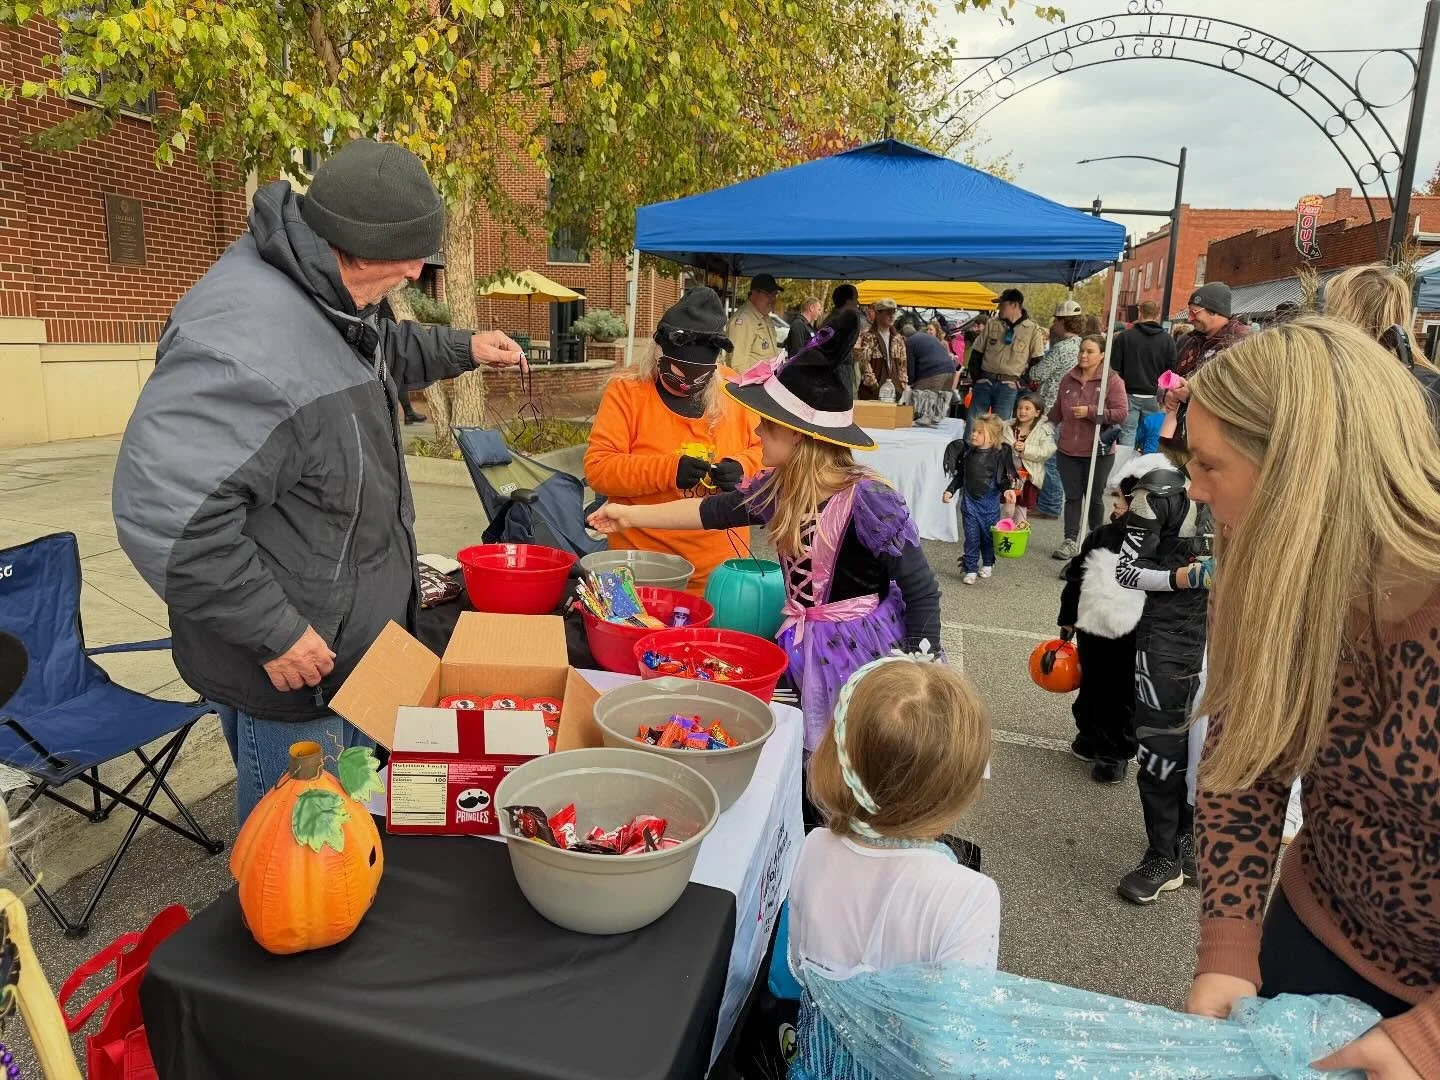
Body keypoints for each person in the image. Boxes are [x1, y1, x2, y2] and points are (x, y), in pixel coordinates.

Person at [111, 139, 527, 825]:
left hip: (348, 651)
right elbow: (166, 515)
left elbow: (373, 347)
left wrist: (463, 347)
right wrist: (273, 630)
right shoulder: (247, 342)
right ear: (359, 249)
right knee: (299, 857)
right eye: (406, 268)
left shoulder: (327, 283)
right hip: (291, 666)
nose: (417, 274)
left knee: (348, 823)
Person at [1180, 317, 1440, 1079]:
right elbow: (1243, 755)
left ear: (1297, 475)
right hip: (1319, 928)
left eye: (1208, 465)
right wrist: (1229, 944)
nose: (1192, 489)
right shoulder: (1261, 569)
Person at [587, 312, 941, 751]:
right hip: (805, 644)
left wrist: (920, 674)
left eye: (767, 425)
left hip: (860, 652)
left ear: (800, 437)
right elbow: (711, 510)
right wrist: (628, 516)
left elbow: (922, 590)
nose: (755, 431)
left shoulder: (868, 500)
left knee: (853, 750)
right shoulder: (782, 489)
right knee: (809, 748)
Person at [786, 655, 996, 1080]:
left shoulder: (814, 846)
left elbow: (798, 965)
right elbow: (953, 1050)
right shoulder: (968, 896)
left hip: (817, 1063)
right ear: (960, 788)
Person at [584, 288, 765, 596]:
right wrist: (667, 470)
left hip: (719, 576)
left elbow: (766, 452)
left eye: (700, 377)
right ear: (658, 355)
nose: (687, 383)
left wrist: (742, 469)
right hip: (640, 571)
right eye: (677, 372)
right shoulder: (627, 392)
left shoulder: (735, 389)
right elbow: (599, 470)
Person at [1112, 452, 1212, 904]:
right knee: (1161, 749)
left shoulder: (1274, 485)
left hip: (1234, 636)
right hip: (1169, 639)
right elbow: (1127, 570)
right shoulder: (1160, 492)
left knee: (1213, 749)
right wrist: (1188, 575)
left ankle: (1192, 838)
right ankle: (1162, 854)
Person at [1057, 456, 1158, 784]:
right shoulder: (1101, 536)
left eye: (1121, 500)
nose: (1115, 505)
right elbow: (1076, 576)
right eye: (1115, 498)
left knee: (1122, 694)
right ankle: (1088, 733)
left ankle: (1115, 752)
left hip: (1130, 634)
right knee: (1091, 684)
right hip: (1092, 626)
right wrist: (1069, 619)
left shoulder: (1156, 545)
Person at [1323, 262, 1440, 416]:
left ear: (1339, 314)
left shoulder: (1325, 379)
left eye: (1326, 307)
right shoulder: (1430, 384)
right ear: (1402, 314)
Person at [1048, 335, 1127, 560]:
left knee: (1093, 497)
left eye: (1090, 351)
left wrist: (1091, 412)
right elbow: (1057, 410)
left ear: (1101, 355)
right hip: (1068, 450)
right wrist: (1042, 426)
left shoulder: (1112, 381)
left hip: (1098, 451)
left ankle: (1095, 540)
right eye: (1082, 350)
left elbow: (1122, 413)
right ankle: (1070, 540)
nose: (1083, 355)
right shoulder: (1068, 378)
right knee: (1072, 497)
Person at [943, 415, 1017, 586]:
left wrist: (1007, 490)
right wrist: (950, 490)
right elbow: (961, 476)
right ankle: (970, 568)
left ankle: (988, 563)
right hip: (969, 506)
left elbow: (1003, 479)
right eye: (974, 431)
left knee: (987, 538)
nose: (973, 434)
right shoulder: (968, 453)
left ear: (991, 438)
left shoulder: (998, 455)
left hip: (990, 507)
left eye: (979, 432)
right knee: (971, 538)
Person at [1029, 301, 1084, 518]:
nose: (1054, 324)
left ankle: (1050, 505)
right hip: (1071, 407)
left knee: (1049, 457)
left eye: (1056, 320)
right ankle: (1050, 503)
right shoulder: (1082, 345)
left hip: (1053, 406)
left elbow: (1038, 374)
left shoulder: (1061, 348)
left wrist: (1031, 366)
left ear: (1063, 322)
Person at [968, 288, 1047, 420]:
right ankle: (969, 442)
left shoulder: (1032, 329)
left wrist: (1022, 381)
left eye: (1002, 304)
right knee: (974, 423)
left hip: (1009, 385)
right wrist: (977, 378)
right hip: (985, 381)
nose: (998, 307)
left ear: (1014, 305)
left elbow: (1038, 360)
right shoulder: (992, 324)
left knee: (1001, 426)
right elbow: (976, 352)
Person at [1112, 300, 1177, 448]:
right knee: (1152, 435)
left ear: (1140, 312)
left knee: (1127, 433)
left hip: (1129, 392)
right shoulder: (1167, 340)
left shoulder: (1125, 337)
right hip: (1155, 394)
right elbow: (1171, 369)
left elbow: (1115, 365)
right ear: (1157, 314)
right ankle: (1146, 468)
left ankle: (1126, 467)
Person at [1002, 392, 1056, 527]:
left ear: (1037, 413)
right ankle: (1004, 530)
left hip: (1028, 476)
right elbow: (999, 445)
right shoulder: (1007, 427)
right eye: (1020, 408)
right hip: (1008, 474)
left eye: (1027, 408)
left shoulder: (1043, 430)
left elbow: (1047, 451)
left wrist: (1026, 449)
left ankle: (1018, 536)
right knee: (1007, 503)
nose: (1022, 411)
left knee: (1021, 506)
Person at [725, 273, 782, 373]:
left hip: (766, 383)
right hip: (752, 386)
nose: (773, 299)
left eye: (774, 294)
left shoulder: (765, 317)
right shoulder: (743, 321)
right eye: (768, 294)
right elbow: (737, 367)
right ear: (754, 293)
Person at [853, 298, 907, 400]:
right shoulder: (867, 337)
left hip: (894, 394)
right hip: (871, 394)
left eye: (894, 312)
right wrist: (875, 388)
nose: (892, 316)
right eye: (888, 313)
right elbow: (864, 366)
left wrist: (901, 387)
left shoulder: (898, 339)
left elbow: (903, 366)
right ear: (878, 314)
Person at [825, 283, 863, 398]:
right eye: (855, 299)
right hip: (837, 381)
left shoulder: (835, 320)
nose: (858, 303)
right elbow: (836, 356)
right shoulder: (839, 323)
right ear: (848, 301)